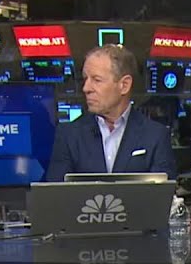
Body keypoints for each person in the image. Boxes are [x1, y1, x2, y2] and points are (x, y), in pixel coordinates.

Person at [44, 45, 176, 181]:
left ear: (124, 85)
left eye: (96, 80)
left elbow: (162, 193)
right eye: (85, 79)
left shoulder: (156, 136)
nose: (86, 88)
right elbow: (56, 192)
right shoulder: (68, 136)